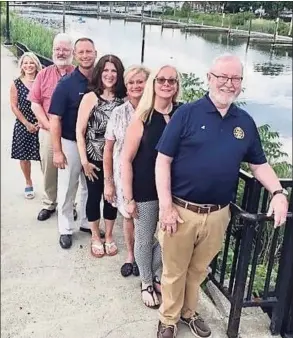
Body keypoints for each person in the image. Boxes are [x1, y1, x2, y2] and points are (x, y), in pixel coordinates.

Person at [155, 54, 289, 338]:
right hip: (181, 211)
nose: (228, 84)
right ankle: (168, 319)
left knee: (199, 270)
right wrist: (165, 207)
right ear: (209, 78)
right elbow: (162, 161)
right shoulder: (187, 113)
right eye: (223, 77)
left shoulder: (245, 122)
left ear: (240, 83)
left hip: (218, 214)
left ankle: (189, 313)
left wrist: (277, 192)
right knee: (174, 270)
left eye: (235, 79)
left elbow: (259, 164)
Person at [121, 65, 182, 309]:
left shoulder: (181, 114)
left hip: (175, 190)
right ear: (153, 84)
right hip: (145, 189)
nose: (166, 84)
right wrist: (128, 197)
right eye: (161, 80)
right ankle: (146, 281)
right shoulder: (142, 117)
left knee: (168, 238)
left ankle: (156, 273)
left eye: (172, 80)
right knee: (145, 238)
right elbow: (126, 159)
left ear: (177, 85)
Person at [48, 37, 98, 249]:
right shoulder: (66, 84)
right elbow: (55, 119)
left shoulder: (101, 80)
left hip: (94, 143)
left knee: (91, 186)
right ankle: (66, 227)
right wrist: (57, 151)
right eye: (81, 52)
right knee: (68, 187)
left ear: (95, 53)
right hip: (70, 142)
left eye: (89, 51)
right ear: (75, 56)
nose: (86, 55)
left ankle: (88, 222)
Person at [76, 54, 127, 258]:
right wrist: (84, 161)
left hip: (116, 159)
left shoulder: (123, 101)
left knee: (111, 198)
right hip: (93, 158)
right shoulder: (90, 98)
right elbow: (79, 131)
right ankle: (95, 236)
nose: (109, 74)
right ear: (99, 73)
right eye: (105, 70)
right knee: (94, 196)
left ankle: (109, 236)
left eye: (114, 71)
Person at [103, 65, 150, 276]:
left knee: (148, 219)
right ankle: (131, 255)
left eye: (140, 81)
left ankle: (146, 258)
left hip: (149, 175)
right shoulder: (118, 113)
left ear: (148, 83)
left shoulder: (156, 112)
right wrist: (108, 181)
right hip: (124, 174)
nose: (135, 86)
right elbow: (108, 149)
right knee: (129, 216)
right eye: (131, 82)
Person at [29, 33, 80, 222]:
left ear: (72, 52)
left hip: (71, 134)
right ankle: (49, 202)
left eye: (65, 49)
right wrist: (49, 125)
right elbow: (35, 103)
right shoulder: (43, 74)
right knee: (49, 168)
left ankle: (69, 205)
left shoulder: (78, 75)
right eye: (57, 49)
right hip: (48, 130)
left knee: (71, 169)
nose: (60, 53)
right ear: (52, 51)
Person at [10, 52, 42, 199]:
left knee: (45, 158)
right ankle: (28, 182)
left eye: (31, 63)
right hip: (24, 124)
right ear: (21, 65)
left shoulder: (42, 81)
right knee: (24, 157)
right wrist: (27, 123)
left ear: (36, 64)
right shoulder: (16, 83)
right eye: (25, 63)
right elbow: (14, 106)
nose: (29, 65)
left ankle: (49, 187)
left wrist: (41, 122)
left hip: (42, 123)